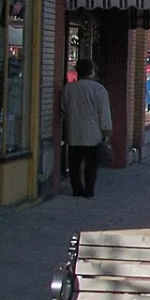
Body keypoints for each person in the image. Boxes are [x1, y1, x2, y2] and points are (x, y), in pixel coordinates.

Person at [62, 59, 113, 198]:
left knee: (74, 164)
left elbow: (64, 109)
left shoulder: (69, 88)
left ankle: (76, 190)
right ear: (92, 71)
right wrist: (107, 132)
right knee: (91, 165)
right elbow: (104, 114)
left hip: (74, 132)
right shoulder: (99, 90)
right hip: (93, 134)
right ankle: (89, 190)